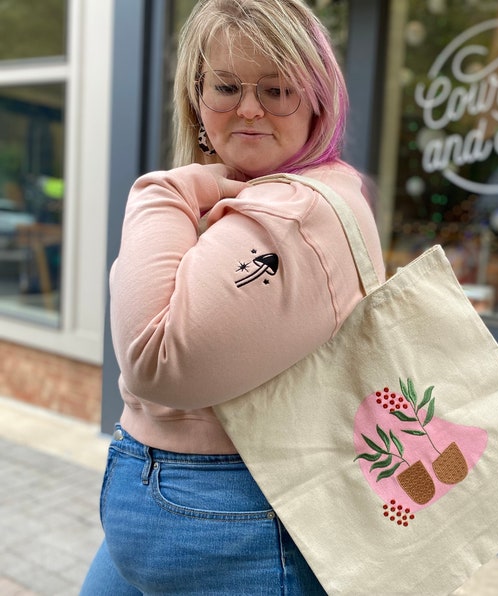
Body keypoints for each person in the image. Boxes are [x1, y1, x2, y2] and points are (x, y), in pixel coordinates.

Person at [80, 1, 384, 593]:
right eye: (226, 85)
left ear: (319, 100)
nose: (249, 108)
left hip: (230, 512)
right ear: (197, 98)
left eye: (276, 89)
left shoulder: (299, 209)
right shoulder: (251, 192)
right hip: (169, 493)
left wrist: (165, 190)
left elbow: (153, 360)